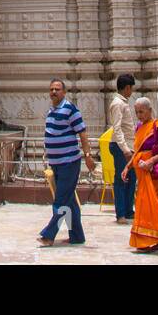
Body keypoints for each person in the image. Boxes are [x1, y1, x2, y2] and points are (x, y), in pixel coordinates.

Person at [38, 78, 95, 247]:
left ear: (64, 92)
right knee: (68, 201)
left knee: (61, 200)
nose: (53, 92)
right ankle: (76, 235)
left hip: (69, 162)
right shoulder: (51, 111)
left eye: (57, 89)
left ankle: (49, 234)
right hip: (56, 163)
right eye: (51, 89)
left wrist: (88, 155)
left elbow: (82, 133)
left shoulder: (70, 109)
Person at [123, 96, 158, 251]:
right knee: (146, 205)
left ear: (150, 110)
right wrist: (127, 167)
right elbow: (137, 151)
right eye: (137, 112)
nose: (139, 115)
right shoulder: (139, 127)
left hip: (154, 172)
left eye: (142, 112)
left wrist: (151, 161)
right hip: (142, 173)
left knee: (151, 205)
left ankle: (153, 240)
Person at [107, 73, 138, 224]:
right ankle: (120, 214)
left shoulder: (123, 103)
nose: (131, 91)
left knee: (131, 179)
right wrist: (125, 149)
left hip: (129, 146)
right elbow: (117, 128)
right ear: (127, 88)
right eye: (131, 88)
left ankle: (128, 210)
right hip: (121, 147)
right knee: (121, 179)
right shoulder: (117, 104)